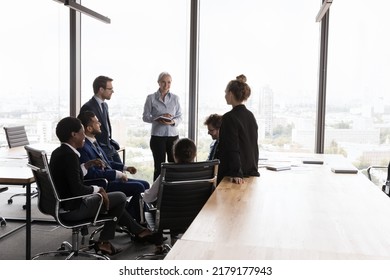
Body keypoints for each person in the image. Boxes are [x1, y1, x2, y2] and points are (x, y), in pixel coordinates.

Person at [50, 117, 161, 255]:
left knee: (116, 201)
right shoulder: (70, 156)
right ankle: (106, 240)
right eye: (81, 132)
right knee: (120, 198)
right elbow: (77, 189)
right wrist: (98, 189)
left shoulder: (59, 153)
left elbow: (70, 178)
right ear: (74, 135)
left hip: (62, 205)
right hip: (73, 208)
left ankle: (135, 231)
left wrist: (87, 165)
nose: (84, 135)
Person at [77, 110, 150, 223]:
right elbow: (91, 174)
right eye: (97, 122)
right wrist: (117, 174)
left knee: (145, 184)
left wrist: (125, 168)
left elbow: (108, 163)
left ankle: (127, 217)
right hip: (103, 183)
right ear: (89, 128)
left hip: (110, 178)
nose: (100, 124)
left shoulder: (94, 142)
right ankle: (137, 221)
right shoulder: (83, 147)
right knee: (139, 187)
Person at [216, 74, 260, 185]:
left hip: (233, 174)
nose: (225, 96)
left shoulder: (228, 117)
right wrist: (253, 170)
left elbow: (232, 147)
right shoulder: (251, 116)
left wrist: (236, 173)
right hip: (250, 171)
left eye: (226, 93)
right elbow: (253, 145)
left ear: (230, 94)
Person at [142, 72, 183, 181]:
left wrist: (172, 121)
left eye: (169, 82)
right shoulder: (151, 98)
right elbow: (145, 117)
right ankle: (156, 195)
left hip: (173, 136)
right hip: (157, 137)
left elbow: (180, 117)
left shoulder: (175, 98)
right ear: (158, 83)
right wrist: (158, 118)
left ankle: (173, 190)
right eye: (163, 82)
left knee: (174, 166)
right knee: (159, 167)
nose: (166, 85)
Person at [80, 75, 122, 163]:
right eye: (110, 89)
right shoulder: (88, 107)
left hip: (109, 147)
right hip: (99, 149)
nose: (112, 91)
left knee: (122, 171)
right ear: (101, 89)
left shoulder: (105, 105)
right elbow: (86, 131)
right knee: (115, 174)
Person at [143, 138, 196, 204]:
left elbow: (148, 198)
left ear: (174, 155)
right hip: (199, 213)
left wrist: (143, 195)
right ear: (194, 155)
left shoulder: (166, 174)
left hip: (169, 213)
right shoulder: (202, 173)